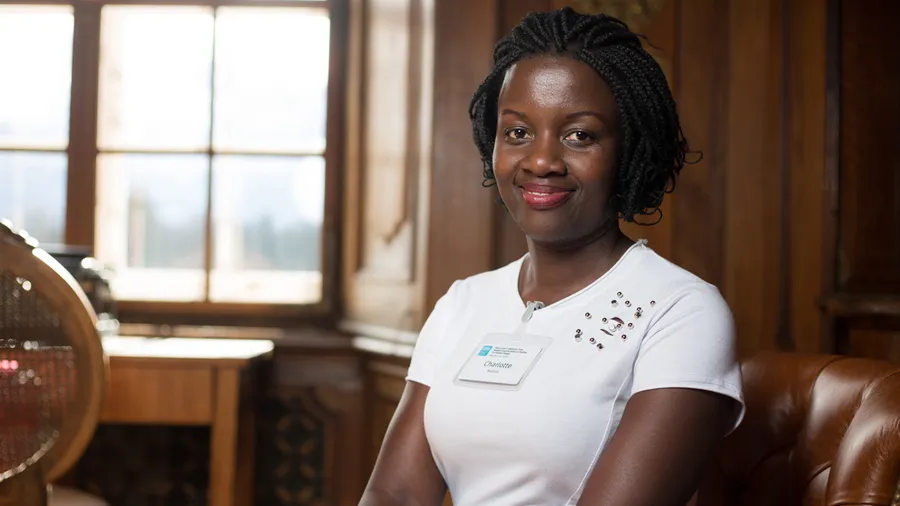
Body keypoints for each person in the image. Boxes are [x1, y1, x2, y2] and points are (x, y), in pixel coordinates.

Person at [359, 7, 744, 506]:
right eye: (518, 132)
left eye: (579, 135)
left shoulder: (680, 312)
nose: (541, 161)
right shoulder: (463, 303)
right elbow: (395, 494)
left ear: (629, 150)